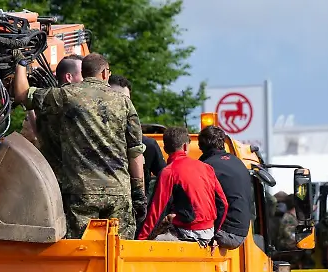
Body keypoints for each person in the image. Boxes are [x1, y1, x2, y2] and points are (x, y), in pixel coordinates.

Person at [13, 52, 146, 239]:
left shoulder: (67, 95)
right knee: (119, 250)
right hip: (118, 192)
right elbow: (135, 153)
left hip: (81, 193)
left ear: (83, 72)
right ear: (105, 73)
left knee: (80, 250)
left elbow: (21, 94)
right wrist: (139, 193)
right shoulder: (124, 102)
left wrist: (20, 63)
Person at [137, 127, 228, 244]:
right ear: (185, 147)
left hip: (188, 232)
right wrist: (214, 234)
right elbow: (223, 204)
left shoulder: (168, 172)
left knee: (157, 238)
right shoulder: (207, 168)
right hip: (209, 232)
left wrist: (141, 239)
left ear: (165, 148)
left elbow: (156, 211)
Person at [106, 75, 160, 230]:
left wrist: (149, 206)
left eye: (126, 100)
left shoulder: (148, 144)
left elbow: (165, 178)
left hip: (135, 215)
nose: (122, 104)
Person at [197, 125, 253, 249]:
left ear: (201, 147)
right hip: (242, 232)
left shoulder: (206, 167)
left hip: (226, 233)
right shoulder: (238, 162)